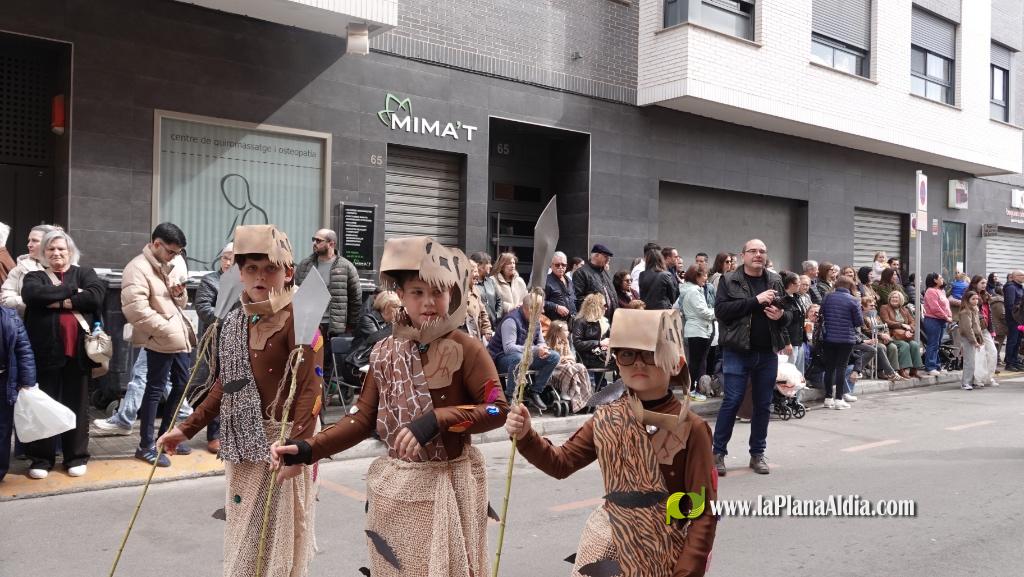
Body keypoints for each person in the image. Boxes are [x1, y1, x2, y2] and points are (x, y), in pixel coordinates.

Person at [270, 235, 508, 577]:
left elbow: (498, 409)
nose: (428, 302)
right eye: (417, 292)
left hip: (450, 490)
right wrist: (308, 449)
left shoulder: (467, 348)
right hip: (397, 496)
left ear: (452, 293)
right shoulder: (385, 351)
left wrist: (438, 419)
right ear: (401, 295)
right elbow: (361, 419)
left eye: (437, 292)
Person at [159, 224, 322, 577]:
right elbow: (228, 385)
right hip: (244, 442)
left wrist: (299, 450)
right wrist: (186, 429)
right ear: (239, 274)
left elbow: (311, 391)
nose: (260, 276)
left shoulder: (302, 315)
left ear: (288, 272)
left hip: (284, 445)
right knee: (245, 531)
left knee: (277, 541)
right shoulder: (235, 321)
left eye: (270, 268)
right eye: (251, 268)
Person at [505, 308, 717, 577]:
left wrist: (685, 572)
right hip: (610, 550)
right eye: (627, 354)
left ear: (675, 363)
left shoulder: (692, 428)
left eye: (649, 354)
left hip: (667, 557)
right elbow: (561, 463)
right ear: (617, 361)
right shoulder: (606, 417)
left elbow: (702, 512)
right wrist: (526, 435)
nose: (638, 363)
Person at [22, 229, 105, 479]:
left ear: (70, 251)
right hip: (44, 353)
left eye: (61, 248)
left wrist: (54, 300)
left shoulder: (85, 273)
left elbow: (95, 297)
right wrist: (73, 292)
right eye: (51, 249)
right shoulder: (34, 276)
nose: (56, 253)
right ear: (44, 252)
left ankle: (75, 457)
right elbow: (33, 295)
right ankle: (41, 459)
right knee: (44, 406)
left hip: (78, 353)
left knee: (77, 405)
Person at [121, 223, 196, 467]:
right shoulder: (137, 268)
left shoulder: (167, 265)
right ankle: (145, 446)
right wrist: (167, 330)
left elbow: (180, 303)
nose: (174, 257)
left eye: (178, 253)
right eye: (171, 251)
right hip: (161, 338)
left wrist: (179, 293)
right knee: (154, 389)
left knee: (181, 385)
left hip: (177, 337)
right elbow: (136, 311)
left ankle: (165, 438)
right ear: (156, 244)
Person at [712, 239, 788, 476]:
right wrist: (756, 301)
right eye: (753, 251)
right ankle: (718, 454)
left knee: (763, 405)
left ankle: (757, 454)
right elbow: (721, 312)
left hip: (767, 353)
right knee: (732, 401)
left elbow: (790, 313)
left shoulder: (775, 279)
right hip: (737, 351)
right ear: (743, 255)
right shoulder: (728, 280)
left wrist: (781, 316)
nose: (758, 255)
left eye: (762, 251)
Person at [294, 228, 362, 383]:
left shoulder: (346, 267)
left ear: (331, 243)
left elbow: (356, 298)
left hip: (332, 325)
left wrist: (350, 324)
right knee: (307, 362)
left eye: (318, 240)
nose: (314, 243)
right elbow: (295, 292)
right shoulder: (305, 265)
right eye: (314, 239)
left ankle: (323, 393)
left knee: (326, 365)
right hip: (309, 323)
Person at [190, 242, 237, 453]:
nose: (228, 262)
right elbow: (203, 308)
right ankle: (215, 435)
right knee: (216, 387)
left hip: (240, 343)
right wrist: (231, 321)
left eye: (233, 259)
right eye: (225, 258)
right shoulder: (211, 280)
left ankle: (232, 432)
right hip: (215, 344)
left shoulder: (245, 281)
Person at [489, 292, 560, 410]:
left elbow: (540, 342)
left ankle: (534, 391)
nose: (543, 311)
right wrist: (536, 350)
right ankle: (510, 396)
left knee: (554, 356)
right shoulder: (511, 320)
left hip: (525, 357)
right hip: (501, 359)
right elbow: (509, 348)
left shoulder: (536, 321)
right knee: (518, 358)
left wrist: (543, 349)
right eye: (540, 308)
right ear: (530, 309)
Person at [0, 305, 35, 482]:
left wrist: (27, 382)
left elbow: (24, 351)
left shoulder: (11, 317)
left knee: (3, 428)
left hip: (4, 381)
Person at [819, 276, 862, 410]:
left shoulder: (827, 297)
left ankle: (828, 398)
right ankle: (839, 399)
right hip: (846, 338)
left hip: (829, 337)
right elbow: (859, 322)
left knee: (829, 368)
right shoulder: (853, 300)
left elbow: (821, 313)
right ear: (850, 286)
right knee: (841, 368)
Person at [2, 224, 59, 316]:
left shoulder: (72, 269)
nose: (29, 245)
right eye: (29, 240)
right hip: (30, 323)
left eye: (35, 241)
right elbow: (5, 300)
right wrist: (39, 300)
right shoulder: (19, 270)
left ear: (51, 243)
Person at [677, 265, 715, 401]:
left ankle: (692, 390)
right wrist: (717, 312)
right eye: (704, 275)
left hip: (697, 329)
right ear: (696, 276)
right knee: (696, 363)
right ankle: (693, 390)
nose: (706, 278)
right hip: (698, 330)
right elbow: (702, 311)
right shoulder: (694, 291)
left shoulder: (690, 290)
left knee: (695, 362)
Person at [545, 320, 593, 413]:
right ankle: (566, 392)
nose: (568, 332)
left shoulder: (566, 342)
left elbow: (572, 357)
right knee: (569, 369)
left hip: (567, 364)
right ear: (557, 332)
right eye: (566, 330)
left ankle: (584, 395)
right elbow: (552, 359)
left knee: (580, 367)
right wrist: (563, 359)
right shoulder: (549, 343)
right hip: (555, 369)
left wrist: (566, 358)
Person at [878, 290, 924, 378]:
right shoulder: (884, 307)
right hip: (892, 335)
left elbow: (912, 322)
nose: (894, 299)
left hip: (905, 335)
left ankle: (914, 370)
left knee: (914, 344)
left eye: (896, 297)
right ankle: (901, 370)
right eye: (892, 297)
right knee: (904, 345)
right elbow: (886, 321)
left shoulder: (904, 310)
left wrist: (909, 330)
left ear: (901, 300)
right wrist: (901, 325)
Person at [859, 296, 901, 381]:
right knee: (881, 347)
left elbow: (885, 326)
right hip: (871, 339)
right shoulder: (861, 316)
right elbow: (865, 331)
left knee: (892, 347)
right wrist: (881, 335)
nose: (873, 307)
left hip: (881, 339)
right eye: (871, 305)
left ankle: (894, 371)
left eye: (874, 305)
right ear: (863, 306)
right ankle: (882, 372)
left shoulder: (875, 315)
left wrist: (886, 335)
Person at [573, 292, 611, 381]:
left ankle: (620, 387)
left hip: (602, 354)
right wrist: (599, 343)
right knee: (621, 363)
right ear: (596, 307)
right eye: (604, 305)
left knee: (624, 361)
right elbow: (577, 343)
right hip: (587, 357)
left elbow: (609, 339)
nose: (606, 308)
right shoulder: (580, 322)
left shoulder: (603, 321)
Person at [575, 244, 617, 321]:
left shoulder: (604, 272)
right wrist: (596, 309)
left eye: (609, 257)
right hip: (594, 320)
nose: (608, 259)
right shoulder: (581, 273)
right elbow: (578, 298)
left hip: (610, 318)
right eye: (605, 256)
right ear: (596, 255)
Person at [922, 272, 953, 375]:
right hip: (932, 320)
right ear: (935, 280)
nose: (942, 279)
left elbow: (946, 306)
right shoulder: (930, 291)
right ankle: (930, 367)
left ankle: (937, 365)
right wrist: (946, 317)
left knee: (938, 344)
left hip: (942, 320)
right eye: (940, 278)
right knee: (933, 343)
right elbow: (935, 308)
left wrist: (949, 315)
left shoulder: (941, 291)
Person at [779, 271, 807, 373]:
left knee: (798, 370)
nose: (800, 285)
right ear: (791, 284)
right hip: (790, 340)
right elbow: (782, 323)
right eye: (798, 283)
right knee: (789, 370)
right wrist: (787, 342)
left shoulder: (796, 297)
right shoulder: (783, 300)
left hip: (799, 339)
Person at [957, 290, 985, 391]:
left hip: (975, 337)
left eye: (977, 298)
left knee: (974, 360)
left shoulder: (975, 310)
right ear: (967, 300)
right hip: (968, 338)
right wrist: (974, 341)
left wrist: (980, 338)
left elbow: (977, 326)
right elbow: (967, 329)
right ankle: (965, 382)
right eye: (973, 299)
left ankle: (972, 381)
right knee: (969, 361)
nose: (976, 301)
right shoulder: (966, 312)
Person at [469, 251, 502, 327]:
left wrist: (497, 316)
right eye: (488, 263)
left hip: (494, 325)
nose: (491, 266)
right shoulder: (471, 285)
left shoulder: (491, 282)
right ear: (479, 265)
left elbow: (499, 300)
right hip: (478, 326)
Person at [543, 251, 576, 324]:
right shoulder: (546, 281)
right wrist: (556, 307)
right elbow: (539, 301)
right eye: (557, 265)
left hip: (571, 323)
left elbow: (574, 298)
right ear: (551, 265)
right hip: (554, 324)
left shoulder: (569, 281)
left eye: (563, 265)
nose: (561, 267)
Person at [493, 252, 528, 316]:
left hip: (519, 316)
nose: (512, 266)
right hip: (501, 317)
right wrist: (511, 307)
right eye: (509, 263)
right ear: (502, 266)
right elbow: (493, 301)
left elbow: (526, 299)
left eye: (513, 263)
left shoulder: (520, 281)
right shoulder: (493, 281)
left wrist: (522, 306)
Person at [1004, 270, 1024, 371]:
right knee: (1012, 340)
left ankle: (1015, 361)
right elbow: (1010, 305)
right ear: (1015, 277)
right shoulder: (1011, 287)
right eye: (1021, 275)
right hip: (1014, 319)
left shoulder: (1020, 287)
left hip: (1020, 319)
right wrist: (1016, 317)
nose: (1023, 277)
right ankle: (1009, 363)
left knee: (1018, 341)